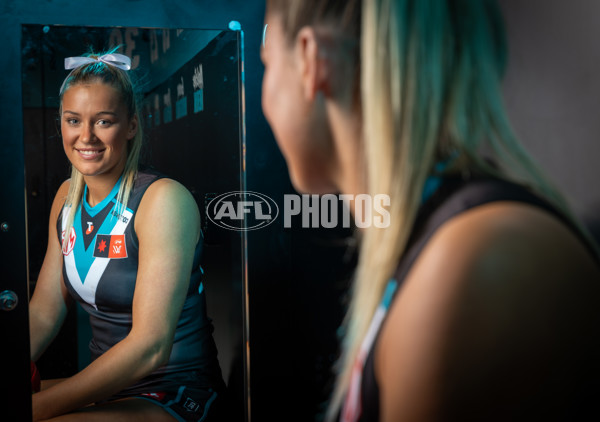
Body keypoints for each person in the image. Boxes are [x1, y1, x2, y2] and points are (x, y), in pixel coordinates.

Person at [261, 1, 600, 421]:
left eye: (267, 62)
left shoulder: (477, 262)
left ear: (312, 60)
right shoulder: (437, 242)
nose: (264, 89)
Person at [29, 50, 225, 421]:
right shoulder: (65, 198)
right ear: (61, 123)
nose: (86, 136)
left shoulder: (163, 200)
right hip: (107, 390)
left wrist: (35, 408)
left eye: (103, 121)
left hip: (174, 393)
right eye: (74, 120)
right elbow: (43, 312)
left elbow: (150, 346)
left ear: (131, 125)